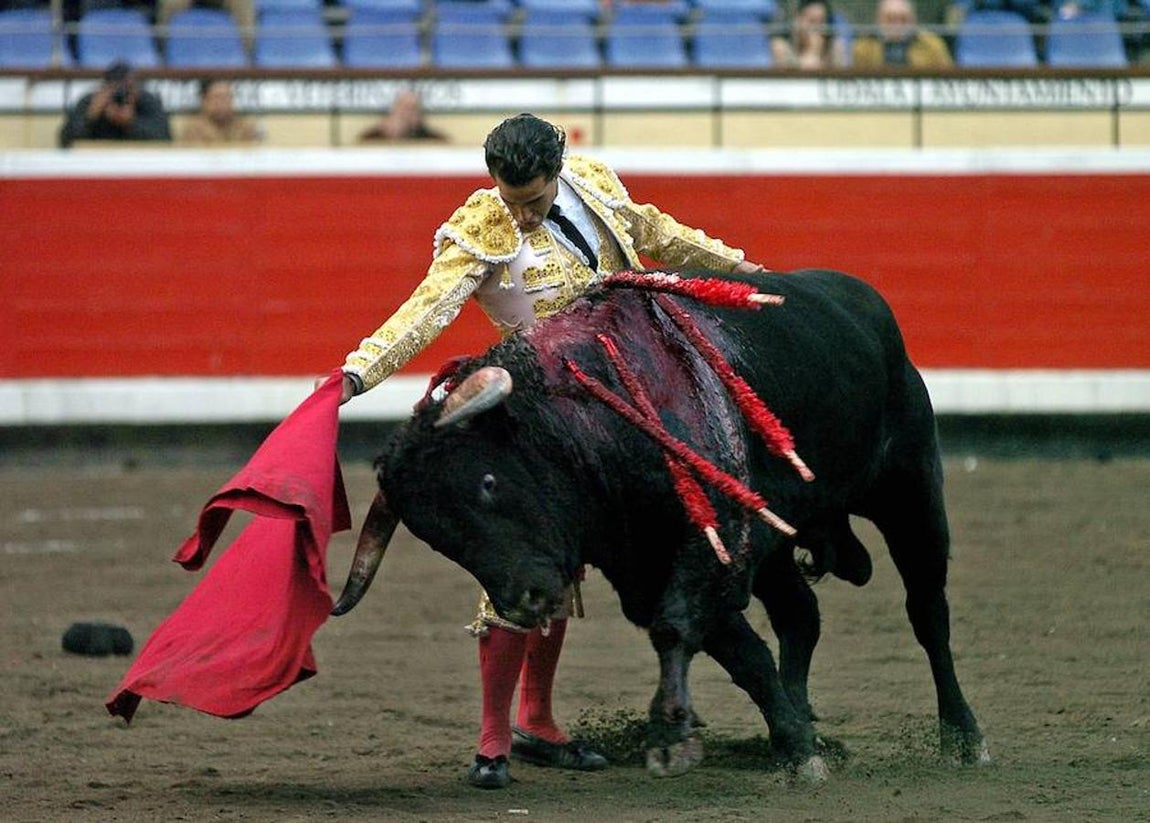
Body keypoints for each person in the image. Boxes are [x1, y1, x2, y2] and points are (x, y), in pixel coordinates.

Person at [336, 113, 767, 790]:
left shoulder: (592, 182)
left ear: (559, 166)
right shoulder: (480, 227)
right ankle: (492, 739)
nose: (524, 214)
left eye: (534, 200)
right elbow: (424, 311)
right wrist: (358, 373)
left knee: (568, 571)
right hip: (533, 417)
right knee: (518, 565)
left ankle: (536, 716)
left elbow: (655, 232)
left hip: (618, 409)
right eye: (513, 201)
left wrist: (736, 267)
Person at [58, 61, 172, 149]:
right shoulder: (91, 102)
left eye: (128, 89)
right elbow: (65, 141)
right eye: (113, 89)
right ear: (104, 88)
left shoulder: (146, 101)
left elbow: (166, 138)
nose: (120, 95)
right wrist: (91, 116)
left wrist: (131, 123)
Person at [852, 0, 954, 68]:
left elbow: (948, 77)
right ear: (879, 20)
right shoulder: (863, 46)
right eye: (890, 19)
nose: (897, 25)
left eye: (903, 19)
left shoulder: (931, 45)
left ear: (913, 20)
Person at [179, 79, 263, 145]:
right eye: (217, 98)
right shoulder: (193, 129)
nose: (223, 103)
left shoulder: (245, 127)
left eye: (227, 97)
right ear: (204, 100)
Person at [770, 0, 849, 69]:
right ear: (797, 19)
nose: (816, 28)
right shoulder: (781, 47)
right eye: (812, 21)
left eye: (821, 22)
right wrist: (813, 52)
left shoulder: (834, 47)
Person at [356, 90, 448, 144]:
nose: (407, 114)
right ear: (393, 111)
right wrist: (391, 136)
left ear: (419, 116)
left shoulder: (433, 139)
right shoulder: (373, 136)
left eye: (412, 109)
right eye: (403, 108)